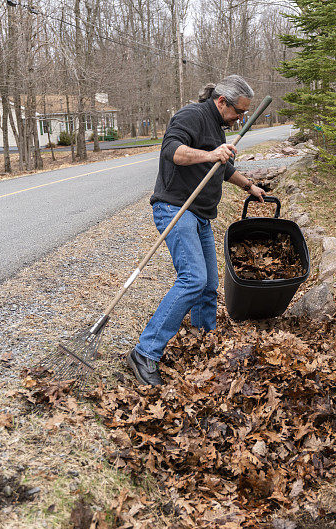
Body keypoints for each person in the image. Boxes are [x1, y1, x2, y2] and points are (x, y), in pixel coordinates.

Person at [126, 75, 265, 386]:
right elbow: (172, 151)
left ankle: (204, 341)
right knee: (193, 279)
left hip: (200, 214)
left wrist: (249, 186)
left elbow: (222, 167)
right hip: (175, 208)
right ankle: (145, 352)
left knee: (208, 285)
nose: (240, 117)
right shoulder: (191, 115)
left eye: (244, 113)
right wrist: (212, 153)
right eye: (238, 111)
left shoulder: (216, 127)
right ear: (221, 102)